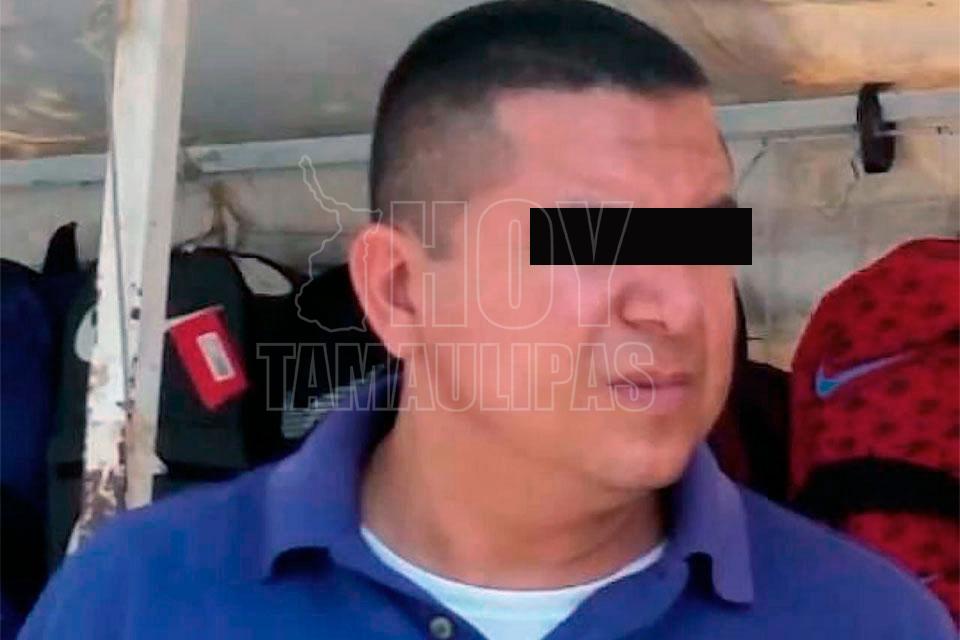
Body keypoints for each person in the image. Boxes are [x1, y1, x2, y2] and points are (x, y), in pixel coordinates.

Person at [20, 1, 954, 638]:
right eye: (596, 241)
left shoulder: (864, 619)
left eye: (705, 240)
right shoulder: (144, 598)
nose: (680, 304)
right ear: (401, 291)